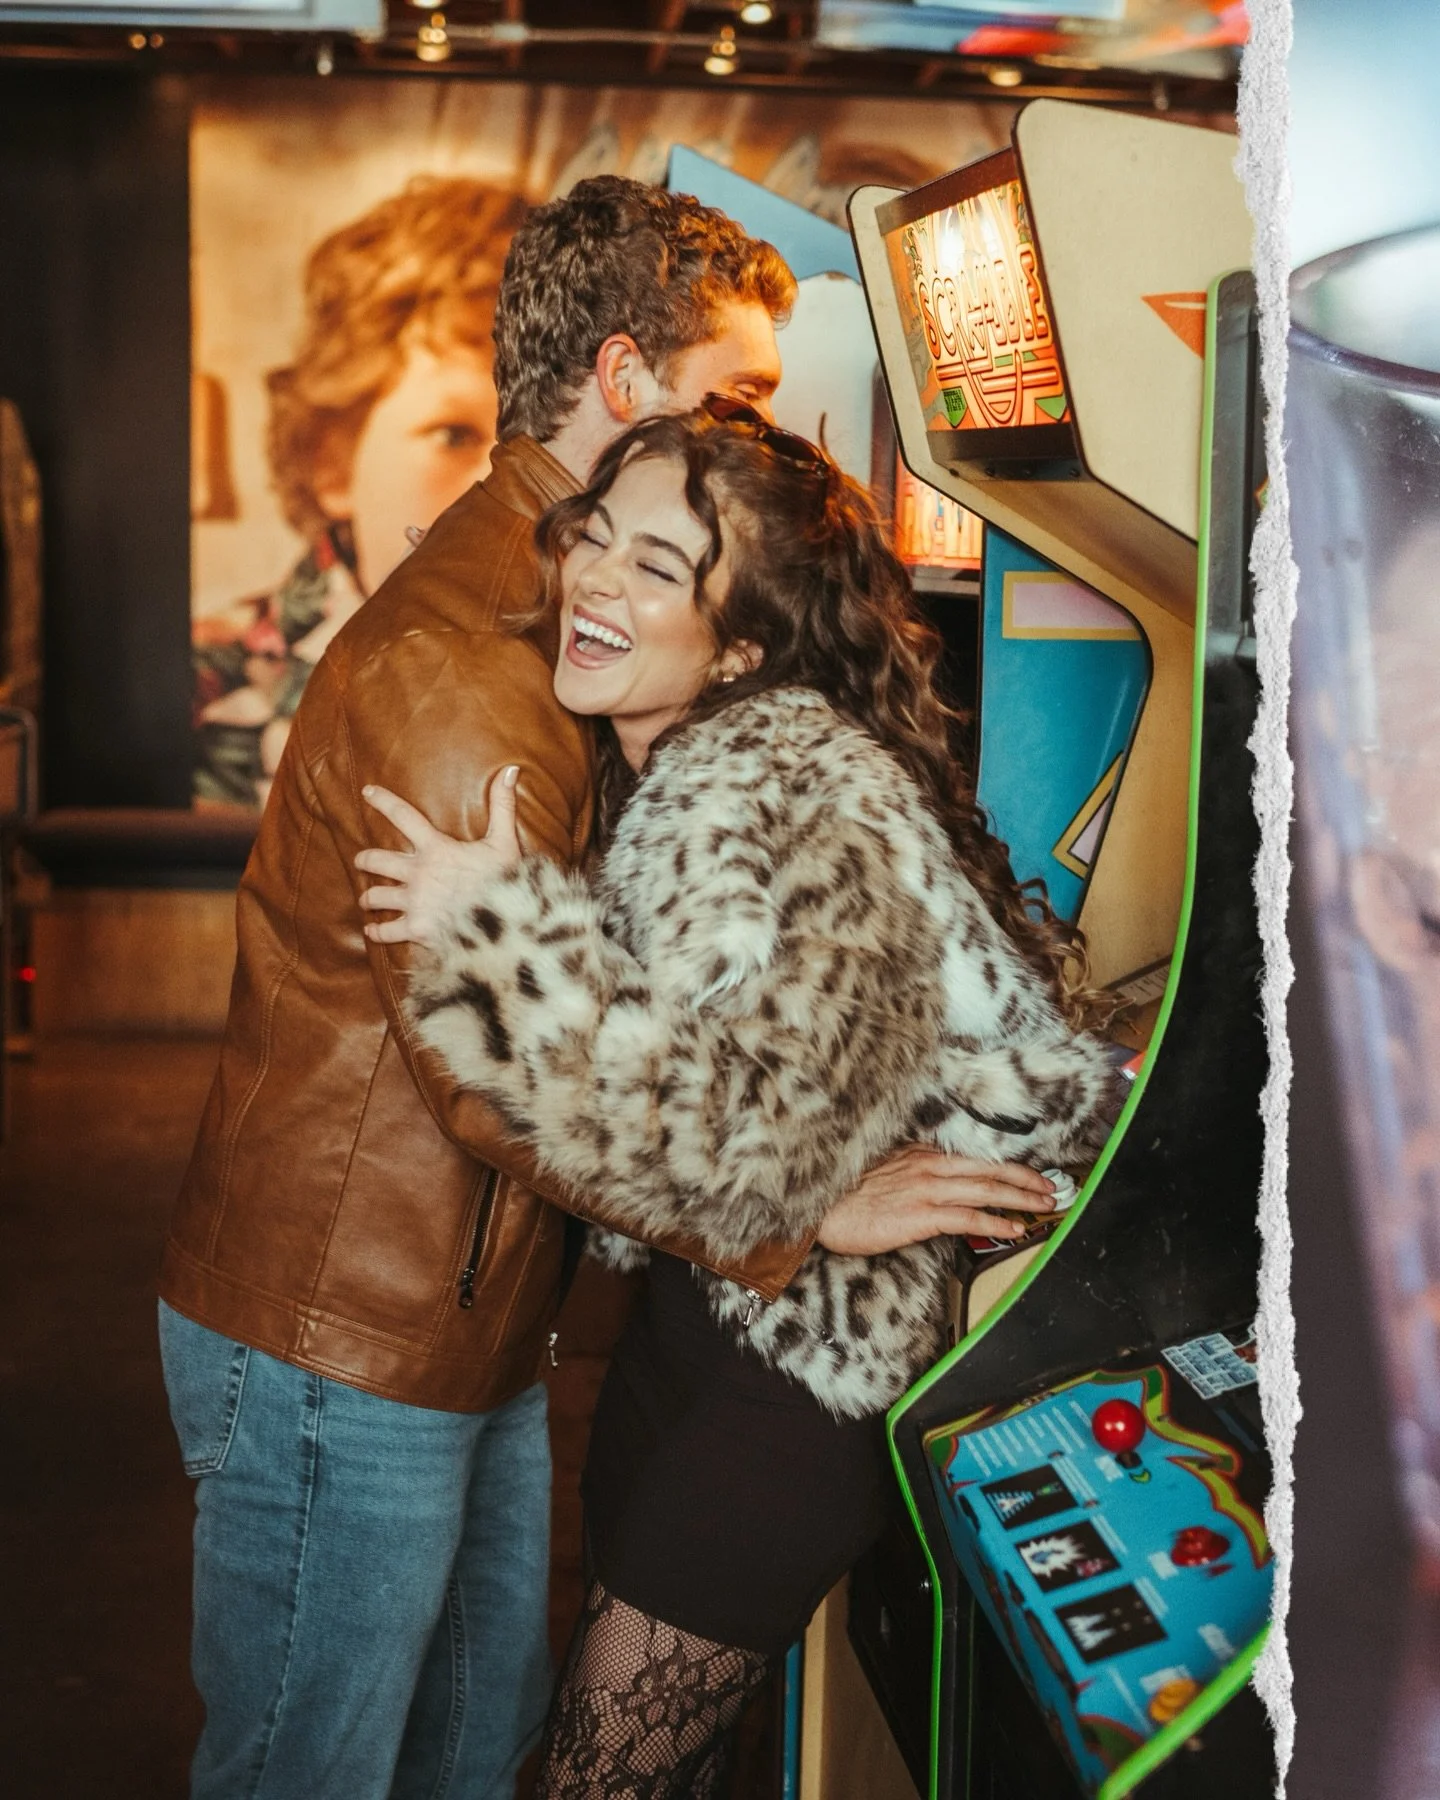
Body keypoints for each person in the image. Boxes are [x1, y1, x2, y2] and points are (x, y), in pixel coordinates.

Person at [159, 178, 1044, 1800]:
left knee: (460, 1761)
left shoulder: (575, 620)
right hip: (342, 1335)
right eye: (748, 400)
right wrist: (802, 1208)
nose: (777, 447)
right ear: (629, 384)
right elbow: (491, 1071)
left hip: (462, 1316)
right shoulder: (480, 664)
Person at [355, 403, 1119, 1796]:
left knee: (593, 1781)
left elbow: (750, 1151)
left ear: (744, 647)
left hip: (803, 1377)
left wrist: (501, 936)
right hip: (703, 1329)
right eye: (599, 536)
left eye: (661, 569)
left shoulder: (781, 785)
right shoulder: (666, 764)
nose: (595, 580)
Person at [193, 177, 525, 809]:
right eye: (454, 434)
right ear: (333, 466)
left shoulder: (619, 681)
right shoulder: (198, 700)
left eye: (543, 438)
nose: (505, 480)